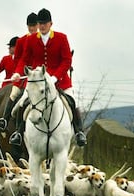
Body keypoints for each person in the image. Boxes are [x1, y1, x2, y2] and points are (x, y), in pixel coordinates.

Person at [9, 8, 87, 147]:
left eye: (45, 23)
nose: (42, 26)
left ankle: (79, 132)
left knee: (72, 101)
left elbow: (66, 61)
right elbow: (24, 60)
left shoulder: (61, 38)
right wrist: (17, 72)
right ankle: (19, 133)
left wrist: (55, 77)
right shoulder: (32, 39)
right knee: (23, 102)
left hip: (60, 81)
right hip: (37, 81)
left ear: (51, 23)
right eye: (40, 23)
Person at [0, 12, 38, 132]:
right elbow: (19, 60)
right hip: (24, 75)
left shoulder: (42, 40)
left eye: (34, 25)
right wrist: (18, 72)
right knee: (14, 94)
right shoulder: (21, 41)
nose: (32, 28)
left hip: (40, 74)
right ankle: (4, 120)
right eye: (29, 26)